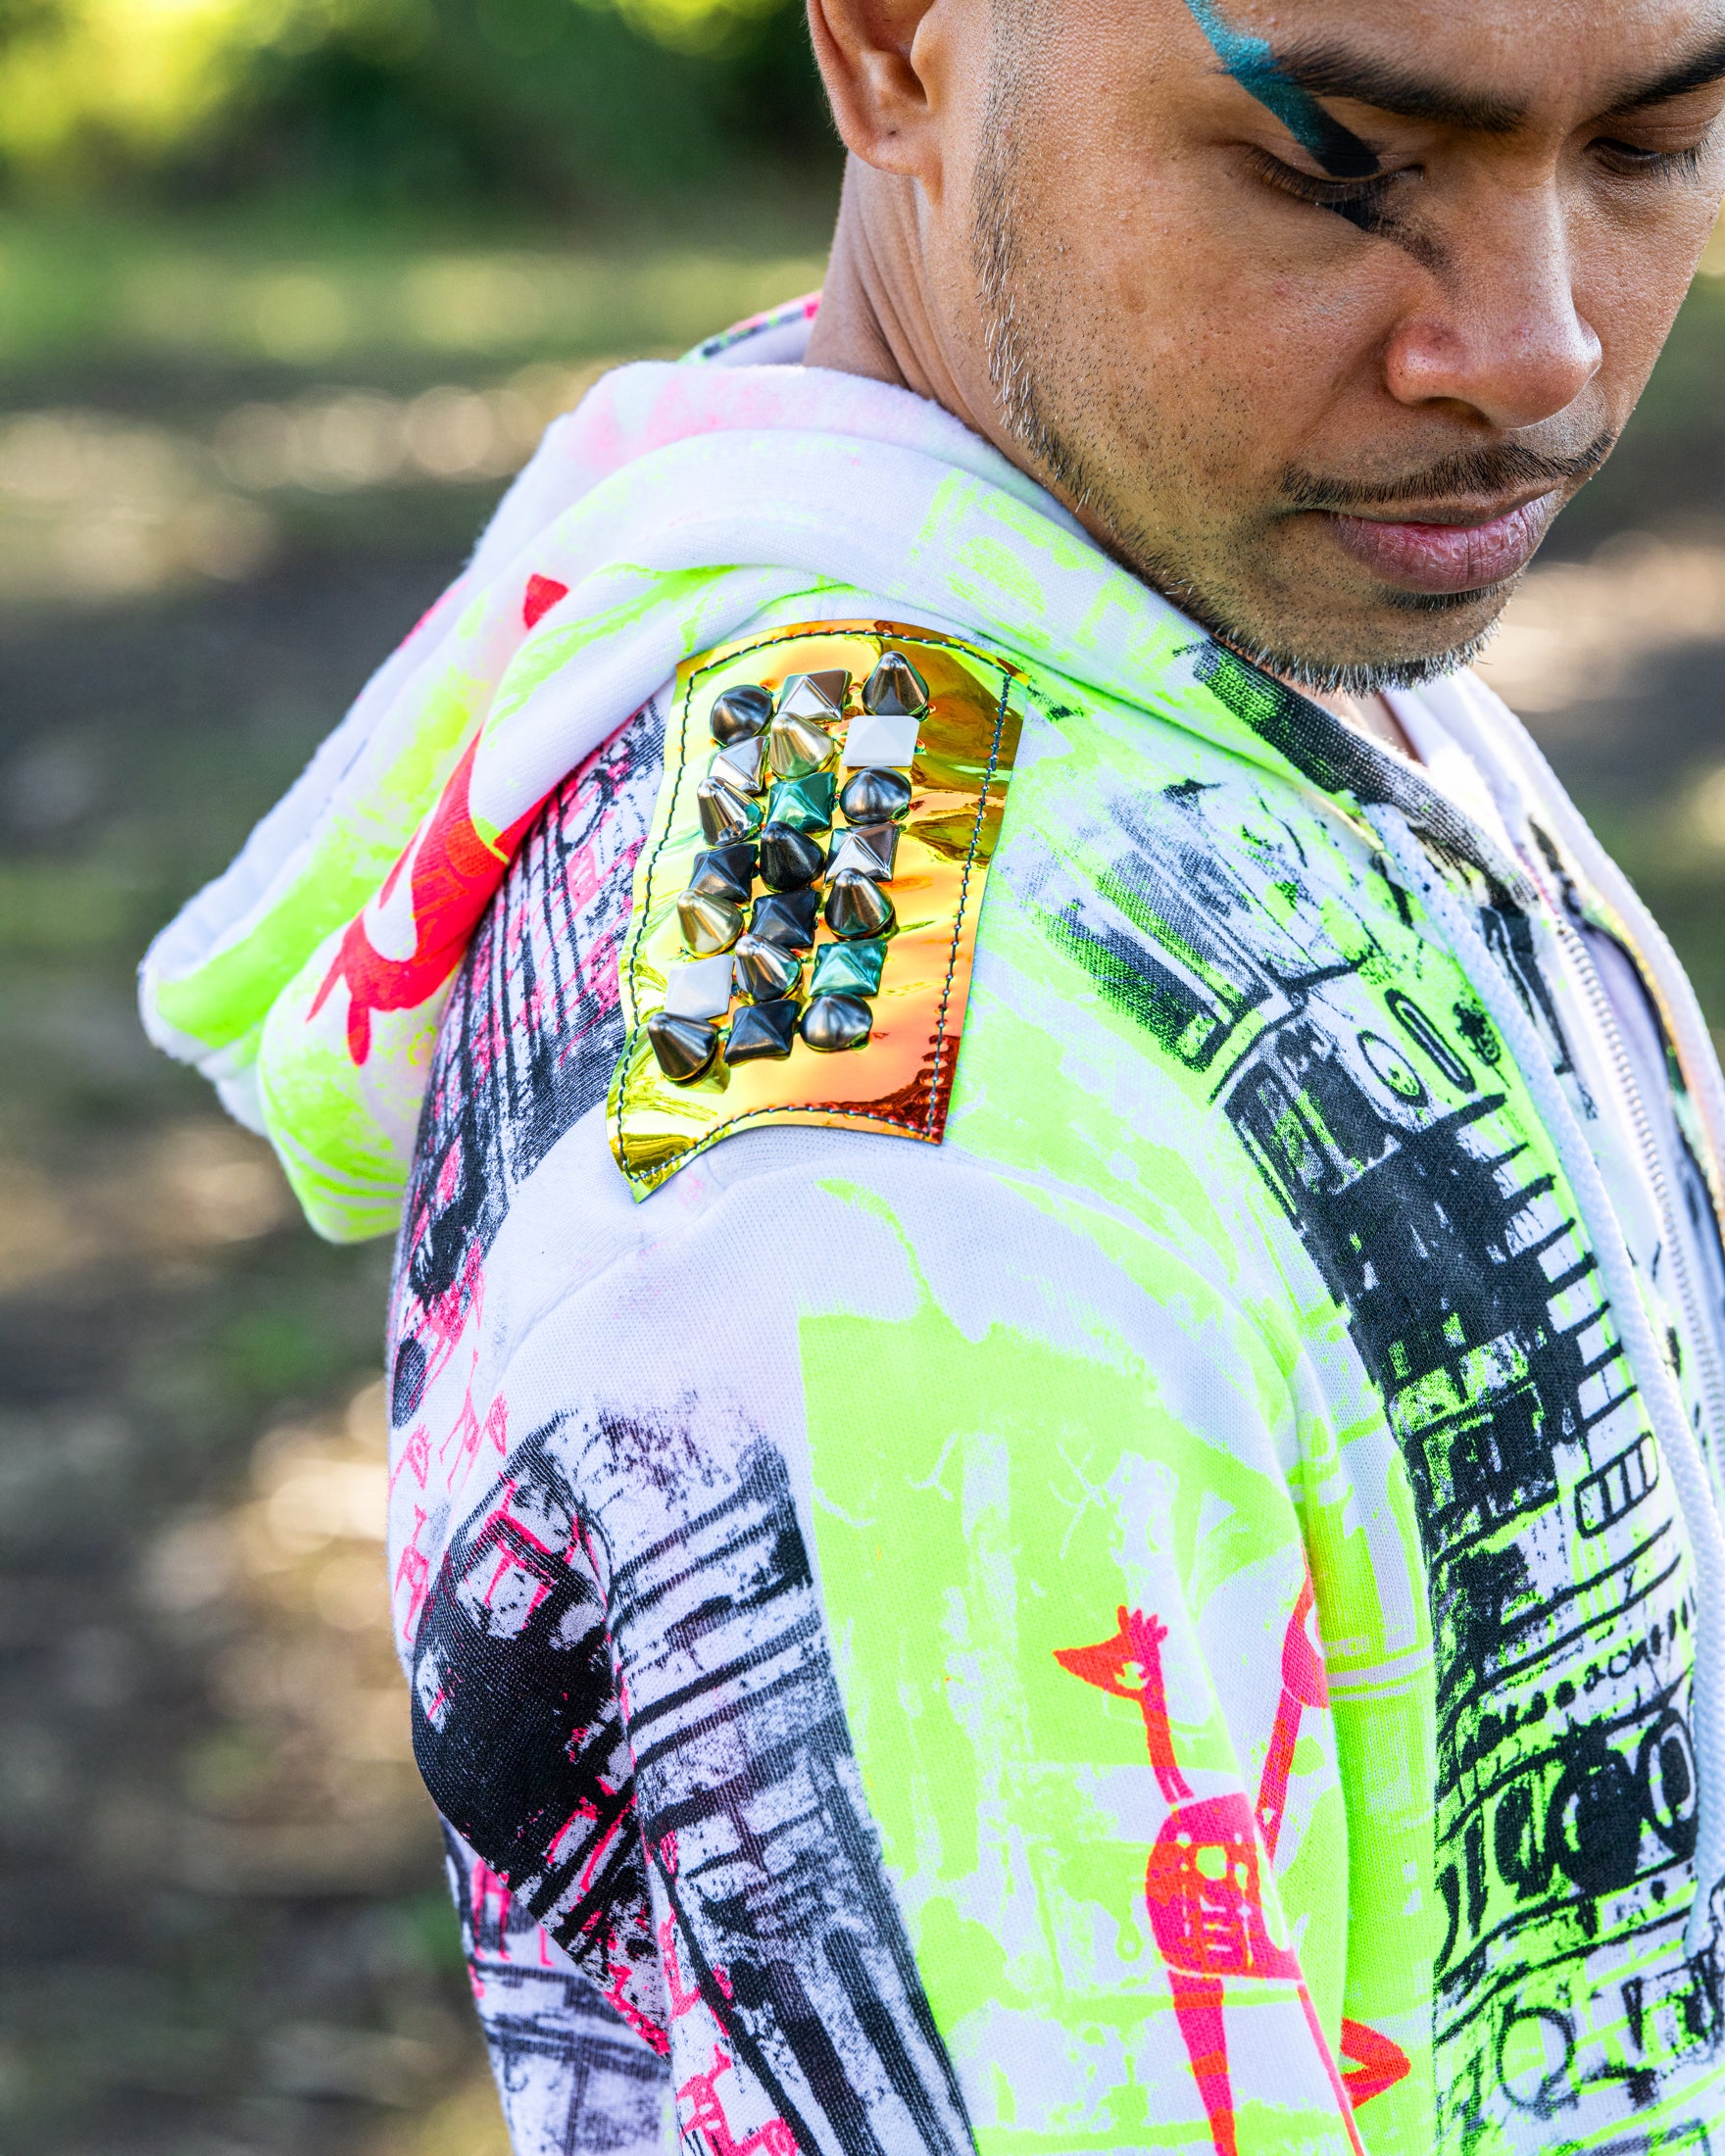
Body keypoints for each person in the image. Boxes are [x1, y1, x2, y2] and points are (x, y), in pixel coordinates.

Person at [140, 0, 1725, 2148]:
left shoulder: (1182, 577)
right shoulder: (858, 1174)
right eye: (1335, 166)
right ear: (894, 49)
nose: (1538, 351)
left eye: (1651, 146)